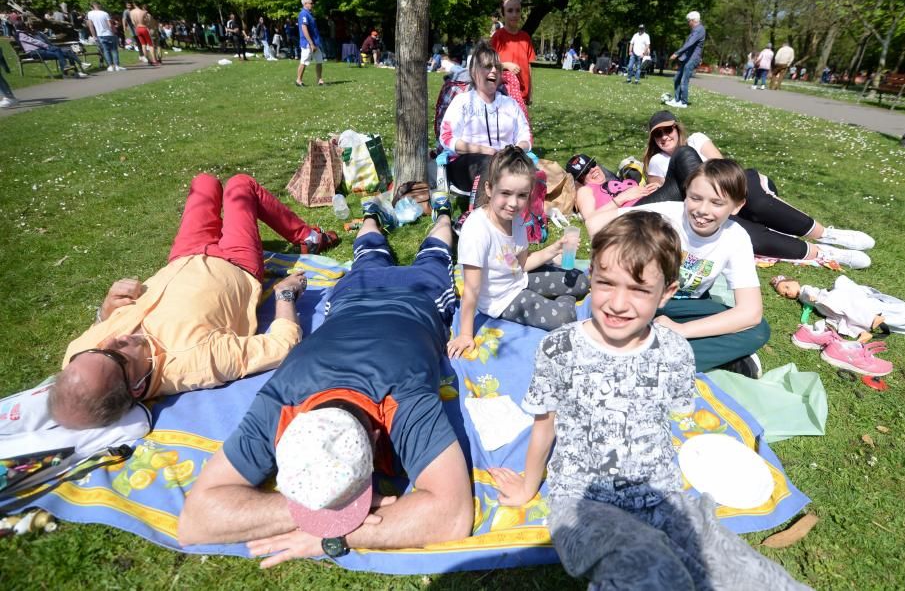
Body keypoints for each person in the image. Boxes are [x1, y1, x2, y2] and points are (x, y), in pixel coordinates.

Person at [488, 212, 808, 589]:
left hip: (661, 494)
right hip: (584, 501)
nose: (618, 303)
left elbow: (671, 413)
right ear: (590, 274)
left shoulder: (674, 349)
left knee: (744, 569)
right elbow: (546, 423)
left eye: (639, 290)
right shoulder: (558, 348)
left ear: (667, 293)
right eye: (606, 283)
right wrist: (529, 486)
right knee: (644, 563)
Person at [177, 197, 475, 561]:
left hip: (417, 299)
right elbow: (196, 521)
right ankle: (404, 215)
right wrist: (310, 511)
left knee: (430, 254)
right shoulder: (281, 400)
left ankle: (435, 212)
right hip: (358, 301)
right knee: (378, 254)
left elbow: (451, 516)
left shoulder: (400, 398)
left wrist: (331, 538)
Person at [48, 174, 339, 430]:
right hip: (236, 263)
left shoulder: (79, 355)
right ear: (136, 388)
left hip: (184, 256)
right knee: (240, 185)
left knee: (204, 183)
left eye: (97, 348)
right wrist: (285, 294)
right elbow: (281, 346)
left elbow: (101, 330)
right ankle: (310, 237)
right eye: (117, 354)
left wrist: (105, 311)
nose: (114, 338)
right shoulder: (194, 361)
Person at [586, 160, 771, 376]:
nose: (702, 210)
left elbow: (751, 312)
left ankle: (653, 360)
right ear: (686, 194)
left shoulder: (735, 237)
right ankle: (691, 357)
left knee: (758, 330)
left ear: (737, 206)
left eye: (716, 203)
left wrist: (682, 330)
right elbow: (595, 225)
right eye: (695, 198)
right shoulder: (667, 215)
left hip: (687, 306)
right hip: (645, 296)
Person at [641, 110, 874, 267]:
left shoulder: (696, 141)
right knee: (745, 236)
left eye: (668, 130)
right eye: (658, 134)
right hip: (710, 208)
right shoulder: (657, 162)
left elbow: (722, 168)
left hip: (735, 186)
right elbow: (663, 194)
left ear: (677, 128)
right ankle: (821, 253)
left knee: (759, 204)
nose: (664, 137)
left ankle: (826, 234)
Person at [448, 148, 588, 358]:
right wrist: (466, 334)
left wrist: (555, 248)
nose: (513, 203)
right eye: (505, 193)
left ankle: (559, 294)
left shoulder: (518, 219)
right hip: (501, 299)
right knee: (564, 318)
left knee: (580, 282)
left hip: (519, 279)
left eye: (522, 195)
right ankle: (562, 300)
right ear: (489, 188)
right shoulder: (477, 231)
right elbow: (471, 291)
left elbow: (522, 264)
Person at [438, 41, 532, 196]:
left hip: (507, 161)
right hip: (467, 164)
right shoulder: (462, 102)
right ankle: (481, 215)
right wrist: (486, 151)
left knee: (536, 171)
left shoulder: (510, 104)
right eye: (488, 67)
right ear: (474, 72)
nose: (494, 71)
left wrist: (516, 150)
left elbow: (526, 136)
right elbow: (447, 138)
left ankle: (531, 216)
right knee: (489, 166)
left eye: (497, 67)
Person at [490, 0, 537, 105]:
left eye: (517, 10)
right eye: (510, 11)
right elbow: (487, 65)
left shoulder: (525, 37)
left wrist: (530, 92)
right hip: (503, 94)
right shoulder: (497, 37)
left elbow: (528, 66)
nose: (514, 14)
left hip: (522, 95)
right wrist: (505, 65)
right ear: (503, 13)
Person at [15, 27, 90, 78]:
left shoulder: (37, 34)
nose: (28, 28)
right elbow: (36, 42)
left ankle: (76, 71)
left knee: (67, 52)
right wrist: (48, 46)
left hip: (45, 50)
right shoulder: (22, 35)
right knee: (58, 51)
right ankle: (69, 71)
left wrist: (49, 45)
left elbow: (44, 42)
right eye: (27, 27)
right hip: (37, 52)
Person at [666, 11, 706, 108]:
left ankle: (683, 102)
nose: (688, 23)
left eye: (688, 21)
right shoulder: (695, 30)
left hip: (692, 58)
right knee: (677, 79)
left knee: (684, 80)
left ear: (693, 20)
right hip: (687, 57)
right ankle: (676, 100)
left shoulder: (699, 30)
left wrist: (677, 53)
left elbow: (690, 44)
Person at [86, 2, 125, 72]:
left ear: (92, 7)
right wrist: (114, 32)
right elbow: (110, 25)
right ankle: (117, 65)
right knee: (114, 50)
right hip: (109, 33)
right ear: (99, 5)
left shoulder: (90, 14)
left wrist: (94, 35)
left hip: (100, 34)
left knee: (106, 50)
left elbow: (90, 25)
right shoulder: (104, 13)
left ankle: (110, 66)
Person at [295, 0, 324, 87]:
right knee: (304, 61)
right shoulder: (303, 14)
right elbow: (304, 28)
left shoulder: (310, 14)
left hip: (315, 42)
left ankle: (319, 79)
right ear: (305, 4)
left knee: (319, 60)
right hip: (307, 43)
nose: (312, 4)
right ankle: (299, 80)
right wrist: (310, 43)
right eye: (311, 3)